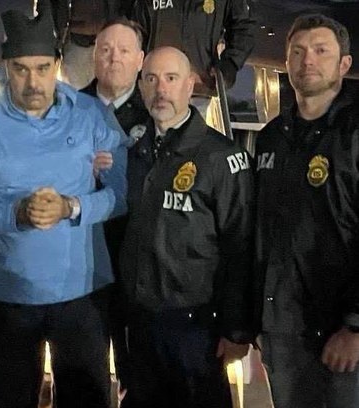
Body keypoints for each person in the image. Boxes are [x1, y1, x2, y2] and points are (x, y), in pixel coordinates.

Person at [0, 1, 128, 406]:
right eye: (21, 69)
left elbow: (120, 195)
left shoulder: (91, 115)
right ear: (5, 67)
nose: (33, 82)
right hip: (9, 295)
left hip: (82, 294)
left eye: (43, 68)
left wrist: (71, 207)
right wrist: (15, 212)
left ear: (58, 65)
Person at [119, 46, 256, 407]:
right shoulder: (133, 151)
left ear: (191, 84)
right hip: (142, 323)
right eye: (151, 79)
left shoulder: (221, 157)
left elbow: (240, 246)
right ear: (140, 86)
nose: (160, 89)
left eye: (171, 78)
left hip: (196, 328)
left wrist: (237, 328)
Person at [254, 14, 359, 408]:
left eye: (320, 51)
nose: (307, 60)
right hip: (282, 332)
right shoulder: (271, 138)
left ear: (344, 64)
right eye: (297, 52)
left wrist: (356, 327)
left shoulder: (353, 134)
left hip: (341, 337)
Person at [79, 17, 148, 396]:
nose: (113, 58)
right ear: (93, 56)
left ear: (140, 59)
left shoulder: (157, 110)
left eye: (123, 50)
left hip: (138, 262)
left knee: (137, 374)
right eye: (105, 50)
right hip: (81, 260)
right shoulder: (69, 108)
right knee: (81, 376)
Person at [128, 0, 256, 93]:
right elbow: (131, 32)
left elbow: (243, 26)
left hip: (199, 88)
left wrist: (230, 64)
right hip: (154, 90)